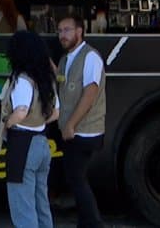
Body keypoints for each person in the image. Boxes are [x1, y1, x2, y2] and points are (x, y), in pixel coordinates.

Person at [0, 30, 60, 228]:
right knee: (41, 202)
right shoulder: (46, 80)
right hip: (42, 143)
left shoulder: (22, 80)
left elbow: (21, 111)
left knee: (23, 206)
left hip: (22, 146)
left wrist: (7, 123)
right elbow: (56, 112)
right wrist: (39, 120)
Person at [56, 13, 106, 228]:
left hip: (84, 132)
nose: (62, 35)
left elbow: (90, 92)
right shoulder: (66, 60)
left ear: (79, 31)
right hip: (73, 132)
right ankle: (86, 223)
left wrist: (70, 124)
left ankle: (93, 224)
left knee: (77, 180)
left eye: (67, 30)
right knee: (75, 178)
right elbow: (63, 83)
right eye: (59, 31)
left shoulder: (90, 57)